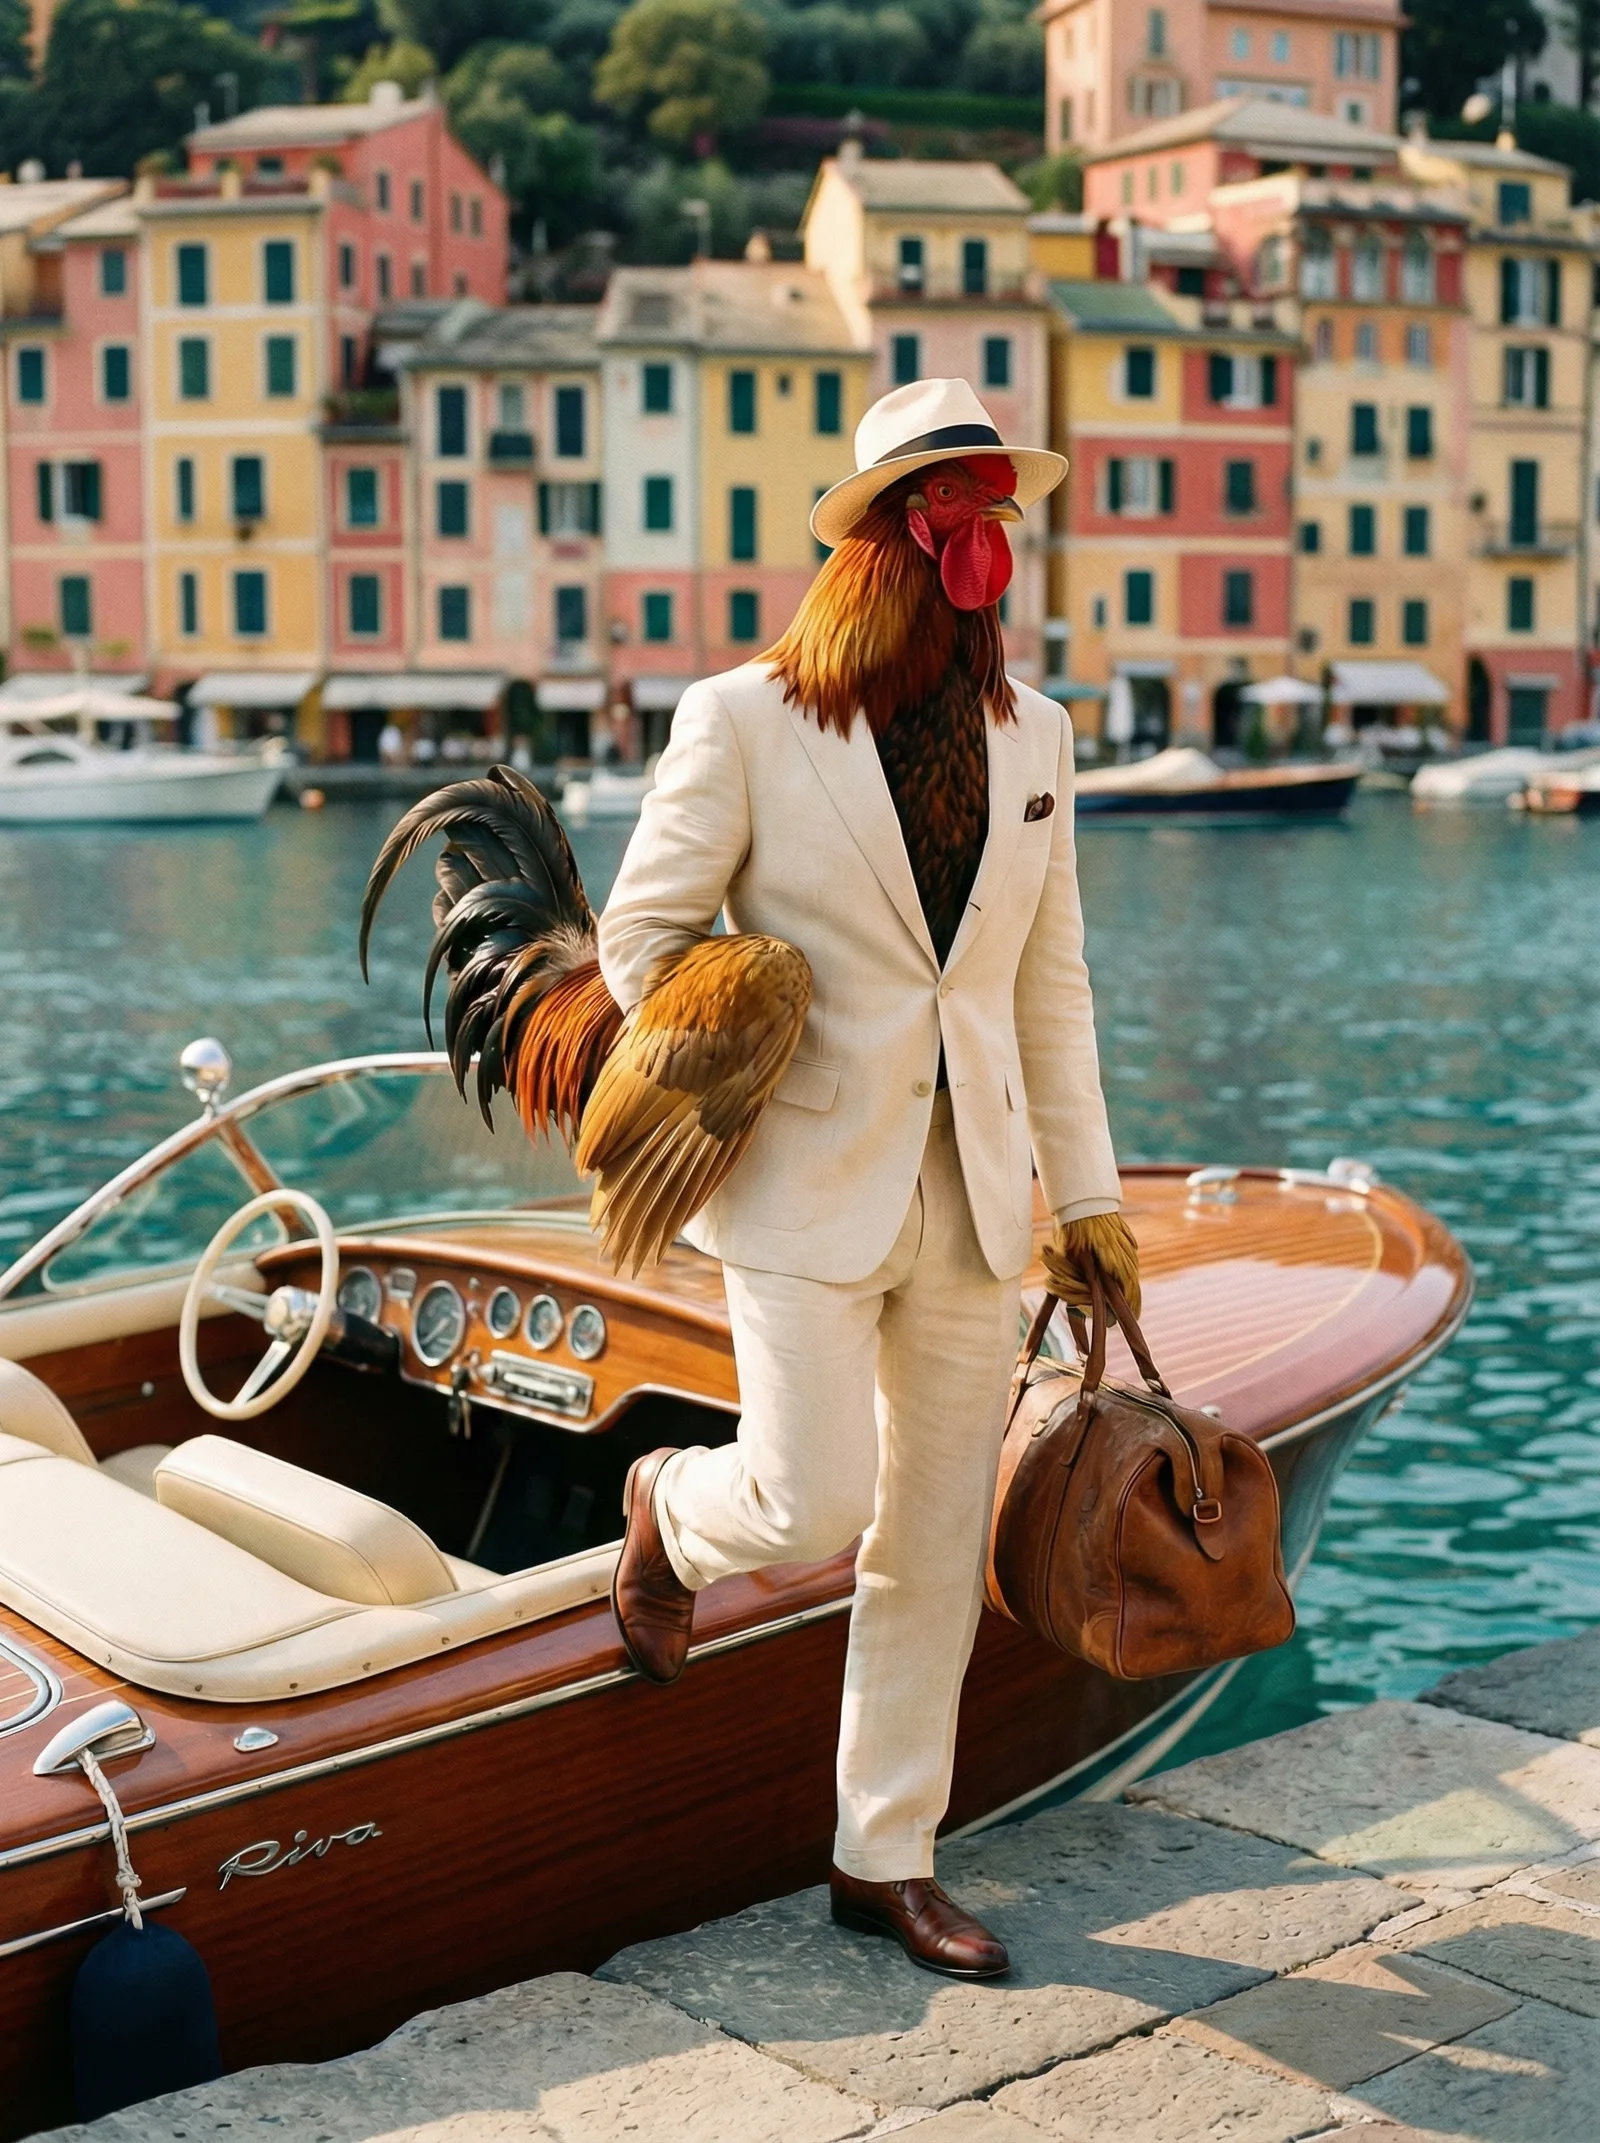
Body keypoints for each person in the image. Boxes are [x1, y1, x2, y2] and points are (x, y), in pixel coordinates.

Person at [599, 379, 1138, 1980]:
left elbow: (1049, 987)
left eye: (1002, 504)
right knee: (810, 1495)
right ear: (905, 531)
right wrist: (742, 1021)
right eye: (961, 503)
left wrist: (1088, 1196)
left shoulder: (1034, 735)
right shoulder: (747, 717)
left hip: (975, 1192)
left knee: (928, 1538)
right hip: (798, 1178)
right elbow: (639, 940)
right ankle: (662, 1508)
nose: (994, 534)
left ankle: (882, 1855)